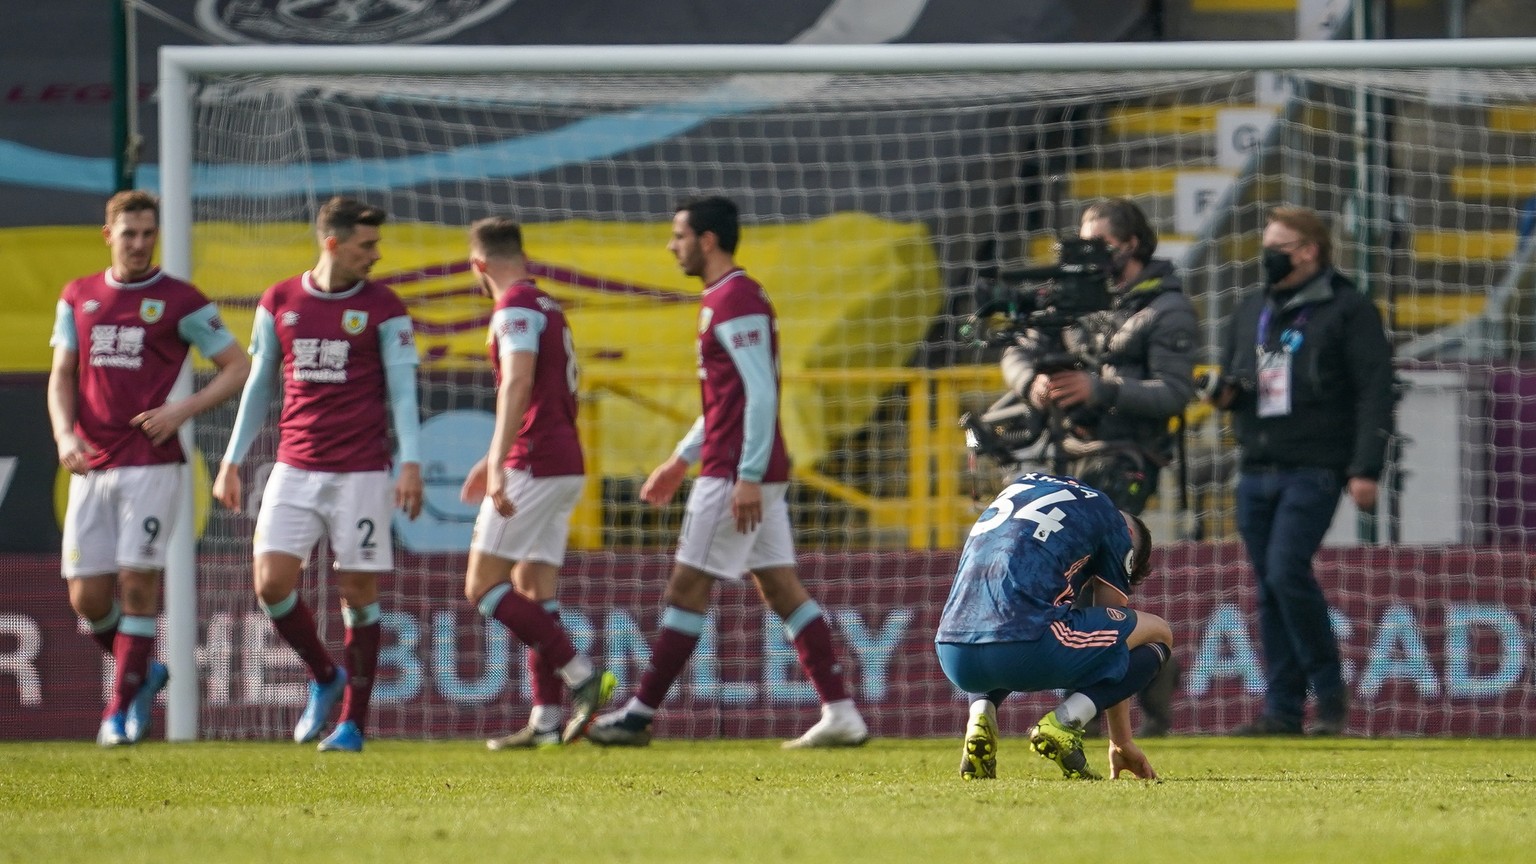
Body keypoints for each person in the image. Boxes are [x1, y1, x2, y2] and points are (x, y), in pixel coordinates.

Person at [586, 195, 868, 748]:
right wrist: (678, 458)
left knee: (687, 584)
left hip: (736, 469)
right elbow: (727, 401)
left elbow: (762, 395)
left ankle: (638, 715)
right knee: (781, 587)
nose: (672, 247)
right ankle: (842, 713)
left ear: (707, 240)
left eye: (679, 236)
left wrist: (748, 474)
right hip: (734, 462)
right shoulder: (723, 297)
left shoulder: (736, 297)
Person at [213, 197, 424, 753]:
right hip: (294, 466)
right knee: (271, 583)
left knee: (357, 589)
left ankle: (353, 723)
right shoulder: (279, 300)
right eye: (366, 245)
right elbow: (260, 384)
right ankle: (325, 674)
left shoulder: (384, 307)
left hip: (360, 473)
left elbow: (404, 392)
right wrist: (233, 459)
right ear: (331, 242)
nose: (375, 256)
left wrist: (411, 463)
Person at [48, 190, 251, 747]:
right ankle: (145, 673)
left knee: (138, 586)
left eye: (147, 234)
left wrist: (179, 412)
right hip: (91, 464)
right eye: (128, 233)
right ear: (107, 235)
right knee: (86, 598)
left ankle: (117, 713)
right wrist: (65, 434)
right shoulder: (79, 296)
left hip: (152, 463)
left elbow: (238, 366)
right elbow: (62, 374)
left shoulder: (180, 300)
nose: (139, 244)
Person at [999, 197, 1196, 737]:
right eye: (1081, 243)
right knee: (1072, 582)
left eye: (1099, 244)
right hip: (1069, 456)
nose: (1086, 256)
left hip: (1126, 457)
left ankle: (1118, 702)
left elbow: (1176, 392)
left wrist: (1101, 387)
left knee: (1097, 583)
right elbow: (1016, 347)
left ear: (1130, 244)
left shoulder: (1167, 308)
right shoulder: (1070, 300)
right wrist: (1029, 383)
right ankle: (1123, 693)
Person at [1210, 206, 1395, 737]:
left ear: (1310, 250)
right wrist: (1227, 394)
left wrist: (1364, 468)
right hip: (1256, 465)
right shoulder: (1251, 309)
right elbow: (1239, 376)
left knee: (1287, 571)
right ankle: (1283, 710)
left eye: (1280, 245)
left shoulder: (1348, 310)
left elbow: (1373, 392)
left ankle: (1330, 692)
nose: (1267, 255)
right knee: (1269, 585)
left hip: (1315, 464)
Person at [458, 217, 615, 749]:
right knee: (534, 592)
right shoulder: (549, 306)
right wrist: (491, 455)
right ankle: (546, 721)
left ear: (479, 266)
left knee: (483, 587)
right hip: (564, 460)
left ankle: (581, 677)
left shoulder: (515, 309)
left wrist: (501, 461)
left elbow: (520, 380)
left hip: (536, 463)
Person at [934, 471, 1170, 781]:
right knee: (1158, 632)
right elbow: (1116, 640)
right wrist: (1121, 741)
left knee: (995, 613)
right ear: (1129, 534)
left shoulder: (1025, 485)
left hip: (953, 655)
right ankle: (1067, 721)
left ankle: (980, 715)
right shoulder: (1113, 520)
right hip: (1025, 649)